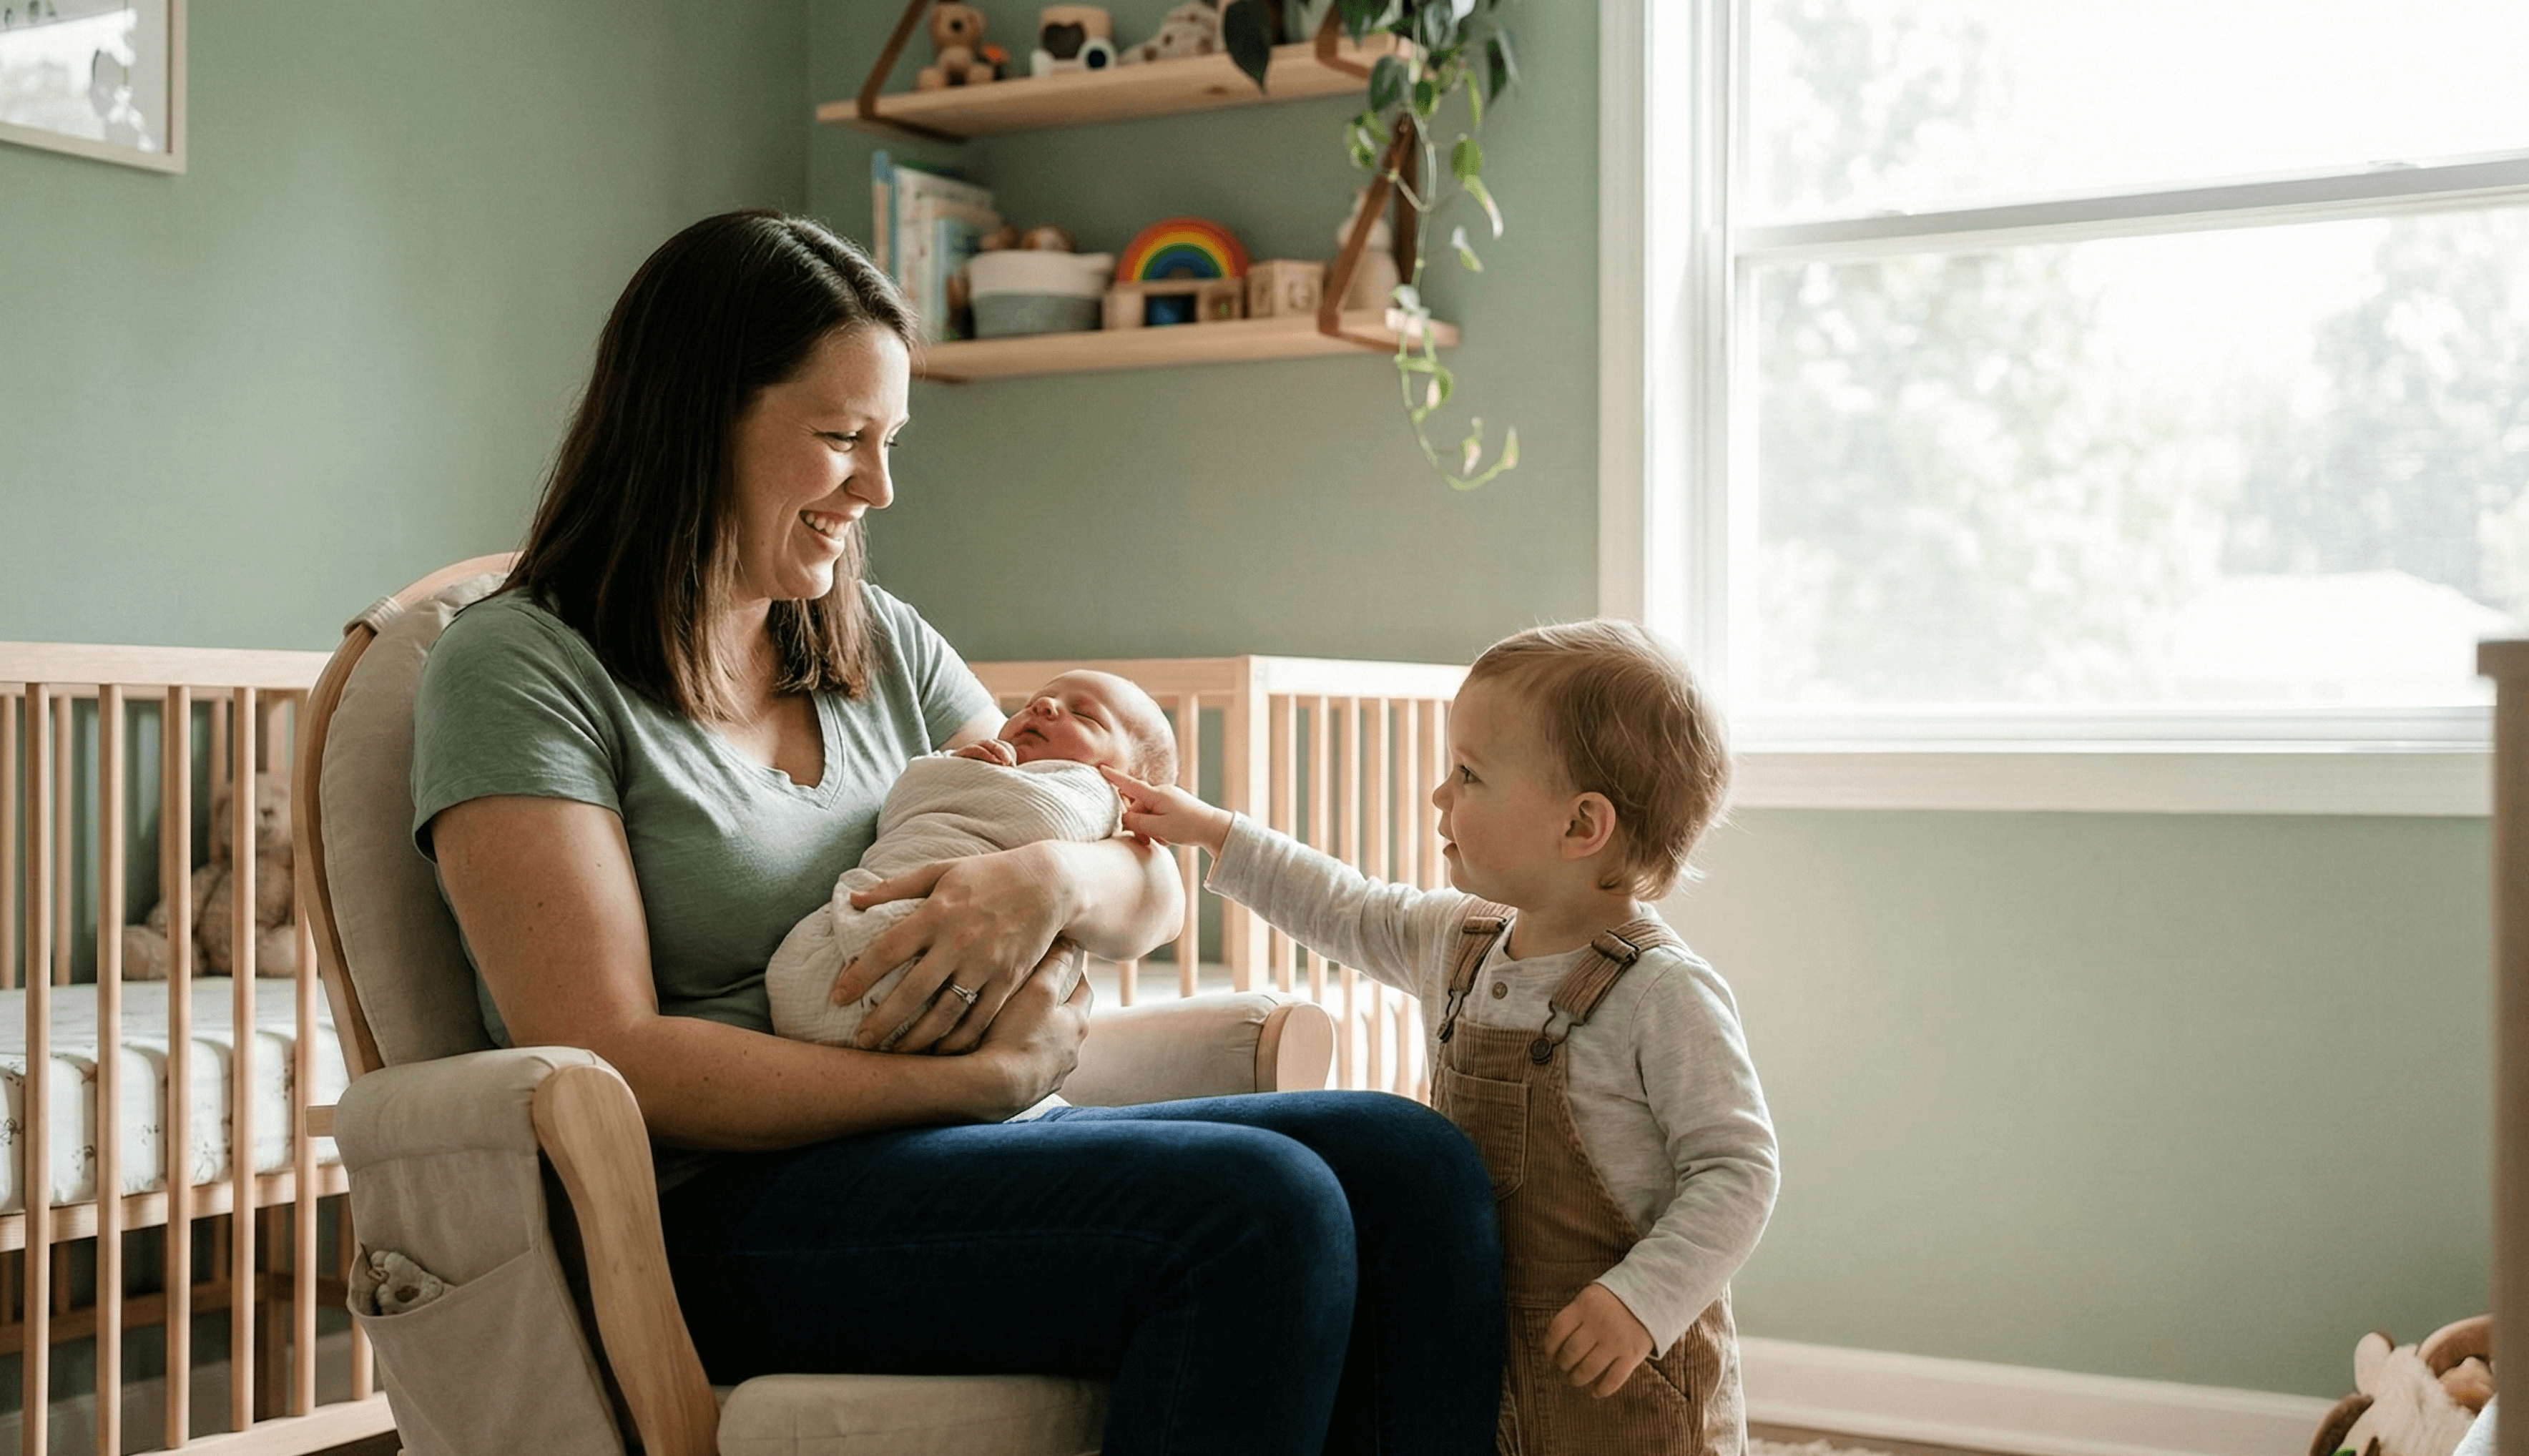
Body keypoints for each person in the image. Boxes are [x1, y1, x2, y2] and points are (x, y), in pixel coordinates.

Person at [408, 209, 1502, 1456]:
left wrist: (1044, 879)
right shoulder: (518, 668)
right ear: (694, 416)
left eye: (890, 440)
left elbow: (1145, 883)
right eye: (841, 438)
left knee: (1412, 1165)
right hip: (704, 1210)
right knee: (1260, 1210)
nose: (878, 488)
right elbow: (604, 1052)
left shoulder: (876, 642)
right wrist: (965, 1080)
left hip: (949, 1150)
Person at [1103, 619, 1779, 1456]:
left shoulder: (1659, 992)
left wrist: (1642, 1298)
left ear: (1581, 826)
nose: (1438, 796)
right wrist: (1214, 831)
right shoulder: (1456, 938)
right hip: (1488, 1349)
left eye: (1468, 774)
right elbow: (1342, 904)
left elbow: (1737, 1168)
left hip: (1621, 1374)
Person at [765, 669, 1174, 1056]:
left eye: (1085, 715)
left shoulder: (1095, 798)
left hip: (992, 1007)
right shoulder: (980, 764)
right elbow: (905, 806)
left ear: (1130, 793)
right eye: (1036, 701)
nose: (1044, 705)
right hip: (869, 922)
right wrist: (957, 768)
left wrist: (1056, 873)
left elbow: (1161, 892)